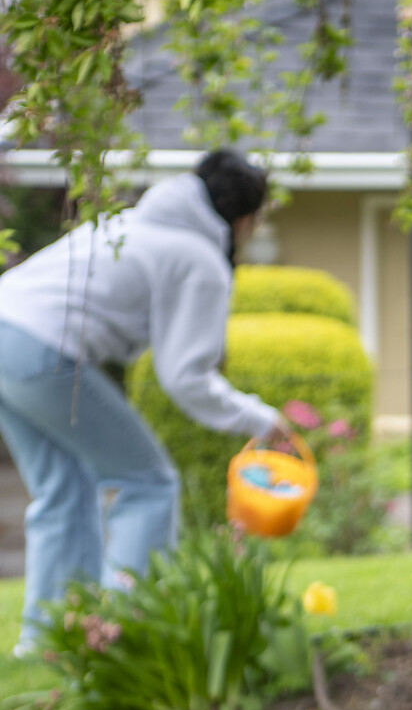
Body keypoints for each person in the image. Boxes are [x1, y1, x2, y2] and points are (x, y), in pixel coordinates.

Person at [0, 148, 282, 653]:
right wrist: (261, 420)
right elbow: (185, 377)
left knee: (64, 489)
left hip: (7, 329)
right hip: (42, 349)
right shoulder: (198, 258)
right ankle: (123, 633)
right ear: (245, 217)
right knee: (148, 482)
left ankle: (49, 642)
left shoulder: (128, 223)